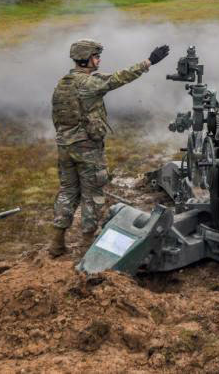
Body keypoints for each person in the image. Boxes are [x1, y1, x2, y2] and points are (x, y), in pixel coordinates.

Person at [48, 39, 170, 257]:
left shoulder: (62, 83)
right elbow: (118, 78)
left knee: (67, 192)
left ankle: (56, 244)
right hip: (86, 148)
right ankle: (87, 246)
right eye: (95, 56)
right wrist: (149, 61)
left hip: (64, 147)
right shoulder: (88, 84)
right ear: (85, 59)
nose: (98, 60)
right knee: (92, 195)